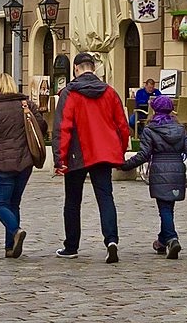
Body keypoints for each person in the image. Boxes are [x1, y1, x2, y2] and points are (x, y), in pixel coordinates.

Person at [54, 51, 131, 262]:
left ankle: (71, 246)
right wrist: (120, 151)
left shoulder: (69, 93)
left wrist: (59, 158)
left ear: (76, 69)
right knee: (105, 197)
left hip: (76, 154)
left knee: (72, 201)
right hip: (104, 153)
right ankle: (111, 240)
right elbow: (123, 127)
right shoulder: (110, 92)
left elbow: (63, 127)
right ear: (94, 68)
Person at [122, 93, 187, 257]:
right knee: (169, 207)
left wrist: (124, 165)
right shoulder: (180, 129)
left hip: (160, 170)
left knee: (164, 207)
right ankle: (161, 242)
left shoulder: (150, 129)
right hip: (177, 169)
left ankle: (172, 238)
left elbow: (143, 155)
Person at [0, 73, 44, 258]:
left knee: (1, 205)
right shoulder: (26, 104)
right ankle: (10, 247)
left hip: (1, 164)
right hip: (25, 162)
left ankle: (15, 231)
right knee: (14, 204)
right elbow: (42, 127)